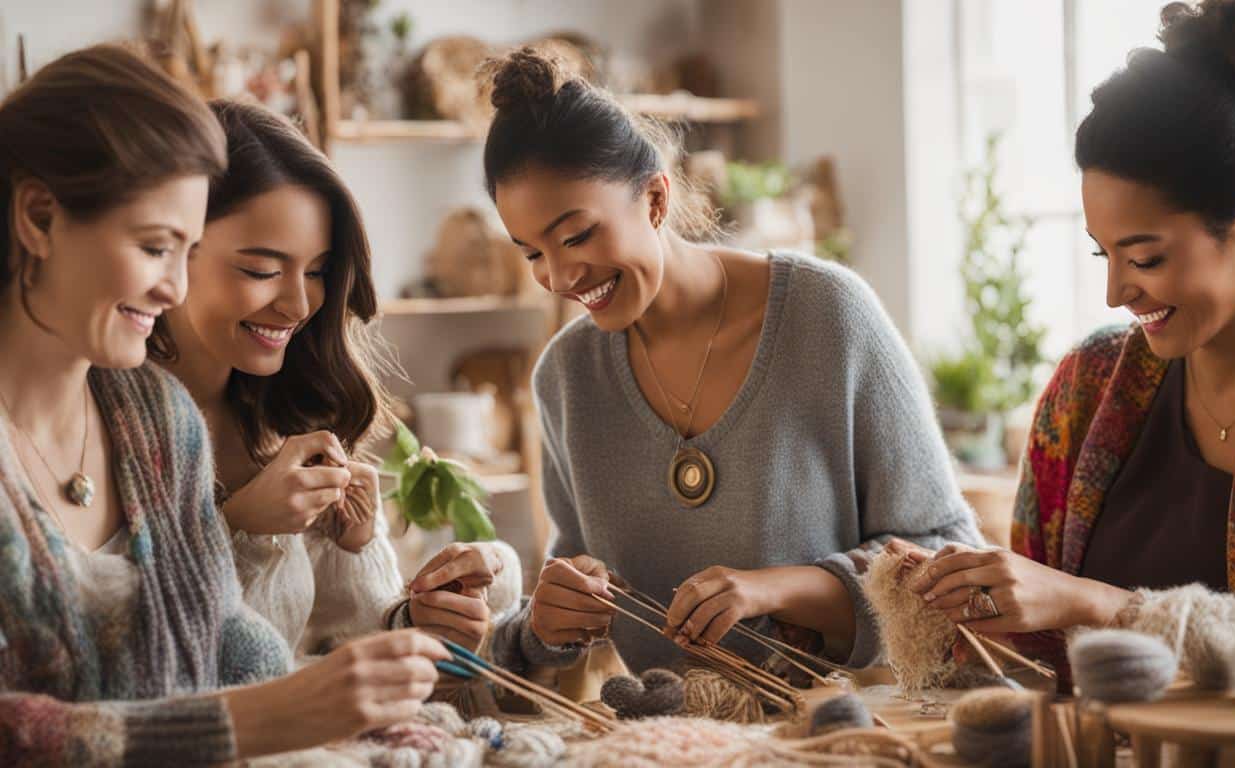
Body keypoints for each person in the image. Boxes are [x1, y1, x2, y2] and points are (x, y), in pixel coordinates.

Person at [0, 45, 448, 765]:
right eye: (154, 249)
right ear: (40, 217)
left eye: (186, 253)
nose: (174, 289)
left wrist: (373, 720)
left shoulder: (159, 423)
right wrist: (249, 722)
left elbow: (231, 643)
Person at [480, 49, 983, 676]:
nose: (558, 277)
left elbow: (952, 557)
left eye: (577, 236)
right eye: (531, 253)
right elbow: (577, 591)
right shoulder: (566, 379)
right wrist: (549, 623)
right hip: (673, 742)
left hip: (846, 735)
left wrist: (781, 589)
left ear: (656, 199)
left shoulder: (827, 316)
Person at [910, 0, 1235, 675]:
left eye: (1145, 259)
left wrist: (1094, 604)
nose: (1116, 293)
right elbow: (1027, 662)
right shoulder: (1084, 390)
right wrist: (952, 595)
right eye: (1101, 255)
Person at [152, 100, 521, 657]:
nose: (300, 304)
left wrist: (382, 576)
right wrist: (240, 526)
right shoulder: (103, 419)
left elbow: (344, 649)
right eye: (262, 271)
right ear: (170, 247)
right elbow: (126, 659)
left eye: (319, 271)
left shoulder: (287, 415)